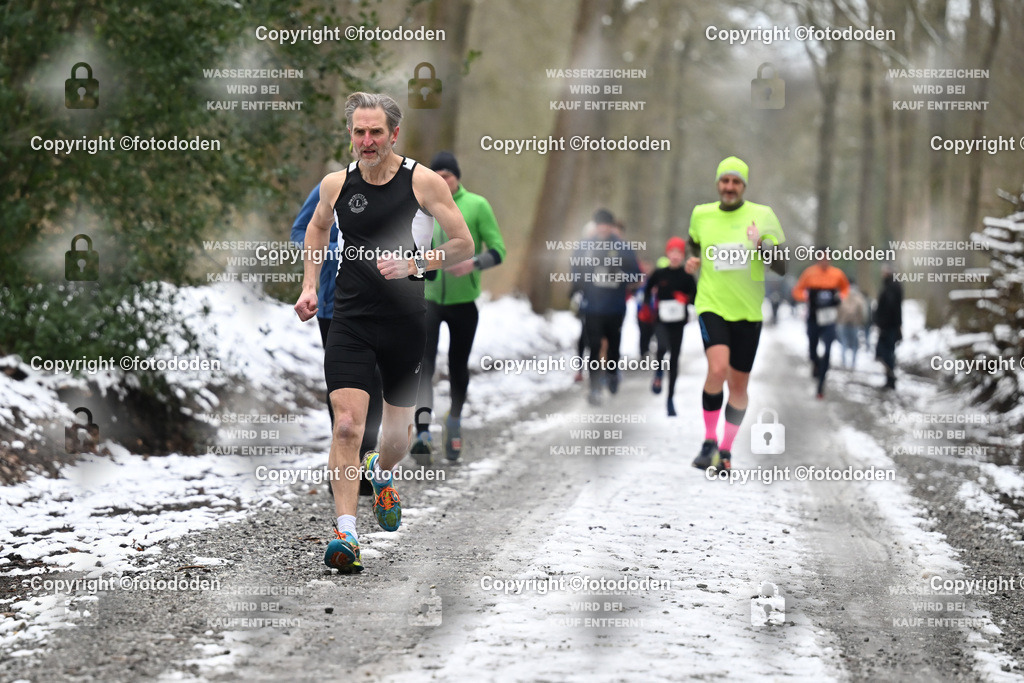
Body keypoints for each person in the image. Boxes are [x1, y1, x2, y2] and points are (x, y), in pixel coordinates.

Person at [294, 92, 474, 573]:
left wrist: (416, 262)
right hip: (350, 320)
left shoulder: (424, 182)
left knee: (393, 438)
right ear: (350, 133)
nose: (367, 141)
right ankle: (346, 535)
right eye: (359, 131)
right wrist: (310, 285)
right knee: (348, 425)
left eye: (376, 132)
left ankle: (382, 473)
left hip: (404, 323)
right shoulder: (336, 184)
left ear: (394, 134)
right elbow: (315, 229)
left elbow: (463, 243)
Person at [685, 156, 786, 472]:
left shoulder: (762, 215)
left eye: (736, 182)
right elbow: (693, 244)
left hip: (748, 312)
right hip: (712, 304)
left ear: (743, 186)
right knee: (717, 370)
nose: (729, 187)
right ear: (718, 183)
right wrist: (693, 261)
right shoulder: (701, 214)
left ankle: (725, 450)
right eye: (725, 181)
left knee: (739, 387)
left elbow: (782, 267)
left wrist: (760, 246)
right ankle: (709, 441)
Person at [410, 151, 507, 463]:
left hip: (464, 304)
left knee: (457, 365)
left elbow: (499, 249)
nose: (442, 180)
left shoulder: (477, 205)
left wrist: (474, 264)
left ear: (457, 177)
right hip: (427, 300)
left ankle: (454, 422)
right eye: (436, 174)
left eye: (447, 175)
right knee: (423, 365)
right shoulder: (421, 204)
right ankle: (422, 431)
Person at [290, 182, 380, 497]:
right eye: (361, 134)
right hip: (333, 306)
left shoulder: (397, 188)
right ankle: (343, 465)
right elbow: (300, 233)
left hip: (379, 305)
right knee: (342, 387)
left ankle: (368, 462)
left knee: (373, 381)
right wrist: (336, 250)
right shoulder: (330, 188)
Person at [570, 209, 642, 405]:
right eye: (599, 224)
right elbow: (575, 270)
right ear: (595, 225)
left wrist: (618, 274)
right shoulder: (585, 246)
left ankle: (611, 373)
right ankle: (594, 389)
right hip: (592, 306)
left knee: (613, 345)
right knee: (594, 346)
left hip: (615, 306)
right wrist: (579, 285)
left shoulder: (622, 247)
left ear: (611, 226)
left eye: (606, 224)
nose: (602, 228)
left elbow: (635, 275)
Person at [641, 237, 697, 416]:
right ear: (667, 253)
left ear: (683, 256)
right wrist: (648, 305)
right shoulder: (660, 273)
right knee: (662, 347)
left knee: (674, 359)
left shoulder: (687, 276)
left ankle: (670, 399)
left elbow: (695, 298)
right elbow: (647, 290)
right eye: (672, 252)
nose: (675, 256)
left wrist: (686, 299)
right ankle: (658, 373)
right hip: (661, 320)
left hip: (679, 323)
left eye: (679, 253)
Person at [791, 250, 850, 398]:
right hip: (813, 316)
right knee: (812, 348)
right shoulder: (809, 273)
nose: (825, 260)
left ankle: (821, 385)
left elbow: (845, 288)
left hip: (829, 318)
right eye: (822, 257)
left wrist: (840, 297)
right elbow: (797, 290)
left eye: (827, 258)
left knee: (828, 348)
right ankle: (816, 363)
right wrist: (806, 297)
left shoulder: (837, 274)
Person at [874, 264, 903, 390]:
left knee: (886, 353)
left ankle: (891, 379)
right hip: (889, 325)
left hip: (889, 326)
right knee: (884, 352)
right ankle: (889, 378)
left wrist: (883, 323)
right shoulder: (890, 285)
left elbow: (891, 308)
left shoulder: (892, 286)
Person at [836, 279, 867, 369]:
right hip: (854, 323)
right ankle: (853, 363)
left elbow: (837, 309)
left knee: (844, 343)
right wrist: (861, 321)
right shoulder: (859, 297)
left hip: (842, 322)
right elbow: (862, 311)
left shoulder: (841, 295)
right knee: (854, 345)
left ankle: (844, 362)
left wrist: (837, 320)